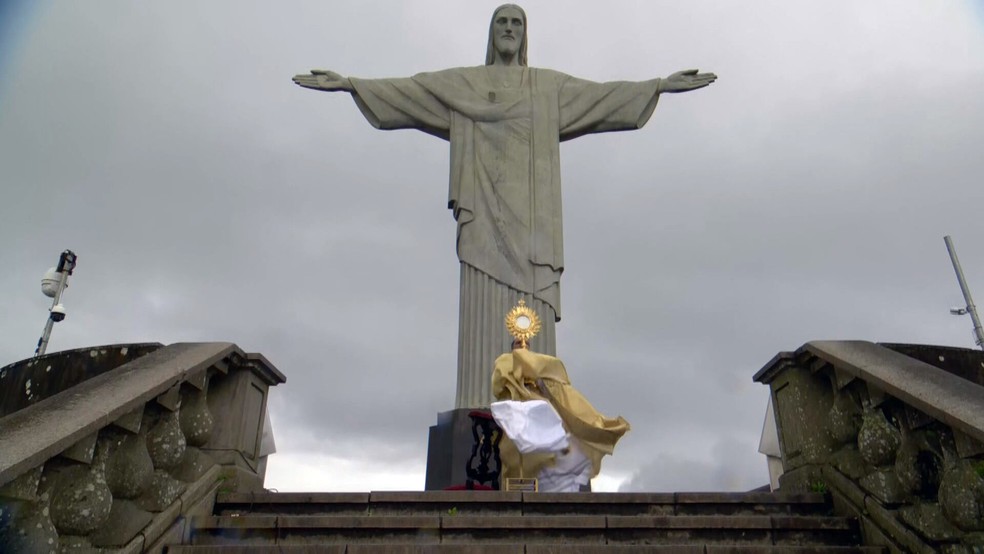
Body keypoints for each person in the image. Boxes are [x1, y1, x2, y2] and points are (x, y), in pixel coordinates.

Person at [293, 4, 715, 409]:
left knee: (534, 314)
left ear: (525, 33)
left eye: (517, 22)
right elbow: (412, 91)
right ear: (492, 34)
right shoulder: (466, 85)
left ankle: (538, 401)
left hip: (534, 225)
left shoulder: (548, 87)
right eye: (502, 22)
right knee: (481, 305)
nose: (510, 28)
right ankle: (479, 402)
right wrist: (351, 84)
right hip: (483, 220)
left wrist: (657, 85)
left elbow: (601, 98)